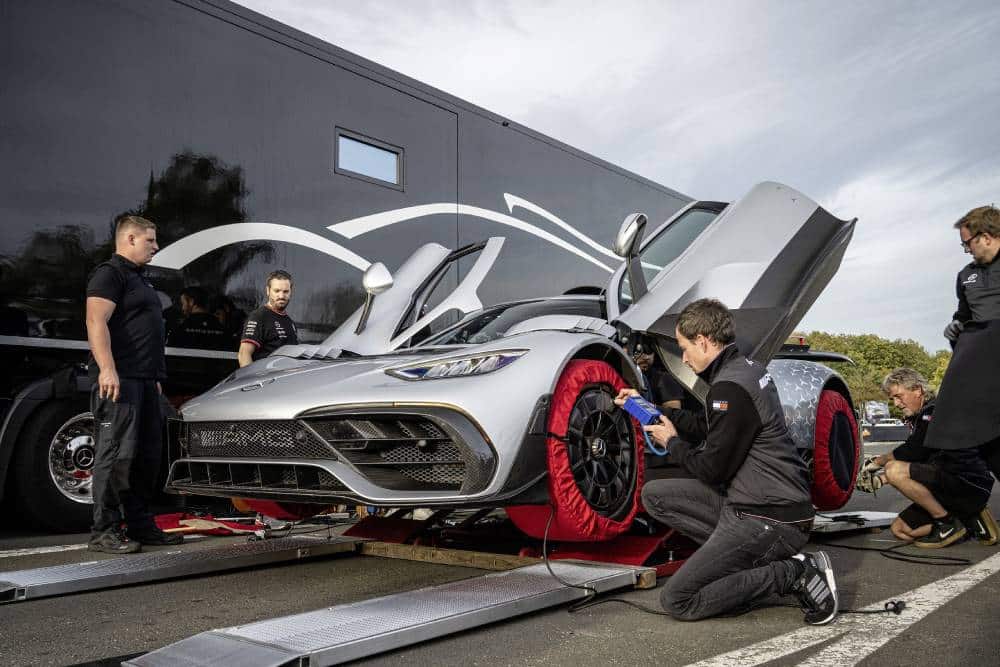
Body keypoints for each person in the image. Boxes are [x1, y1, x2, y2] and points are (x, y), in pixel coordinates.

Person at [616, 298, 838, 625]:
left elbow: (711, 469)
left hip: (770, 519)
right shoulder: (745, 371)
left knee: (679, 599)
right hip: (757, 505)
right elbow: (708, 426)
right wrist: (647, 407)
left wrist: (672, 443)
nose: (684, 356)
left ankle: (794, 573)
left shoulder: (729, 388)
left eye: (684, 347)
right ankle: (742, 568)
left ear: (703, 341)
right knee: (655, 495)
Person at [84, 214, 183, 554]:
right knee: (116, 456)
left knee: (147, 458)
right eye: (150, 241)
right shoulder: (110, 274)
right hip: (120, 381)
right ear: (129, 240)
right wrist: (107, 369)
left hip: (145, 382)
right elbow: (96, 321)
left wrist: (154, 379)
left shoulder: (141, 280)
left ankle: (141, 525)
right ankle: (104, 530)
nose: (156, 246)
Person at [858, 368, 997, 547]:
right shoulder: (921, 416)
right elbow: (923, 462)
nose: (896, 403)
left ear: (917, 390)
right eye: (893, 398)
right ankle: (966, 521)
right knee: (900, 530)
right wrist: (881, 480)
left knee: (894, 469)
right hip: (945, 487)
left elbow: (915, 451)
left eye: (899, 396)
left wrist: (877, 462)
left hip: (968, 485)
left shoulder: (937, 410)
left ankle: (946, 522)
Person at [930, 205, 1000, 486]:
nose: (967, 250)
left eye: (967, 243)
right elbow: (964, 316)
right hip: (982, 363)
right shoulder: (965, 276)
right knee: (975, 434)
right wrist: (955, 326)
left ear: (985, 236)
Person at [238, 269, 298, 367]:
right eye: (277, 291)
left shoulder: (290, 322)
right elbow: (244, 354)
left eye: (286, 291)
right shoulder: (258, 317)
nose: (281, 296)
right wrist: (252, 381)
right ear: (268, 291)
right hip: (267, 379)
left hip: (287, 379)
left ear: (291, 292)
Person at [166, 285, 228, 350]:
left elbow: (169, 353)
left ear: (191, 302)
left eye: (183, 303)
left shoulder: (179, 329)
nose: (182, 308)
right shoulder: (224, 330)